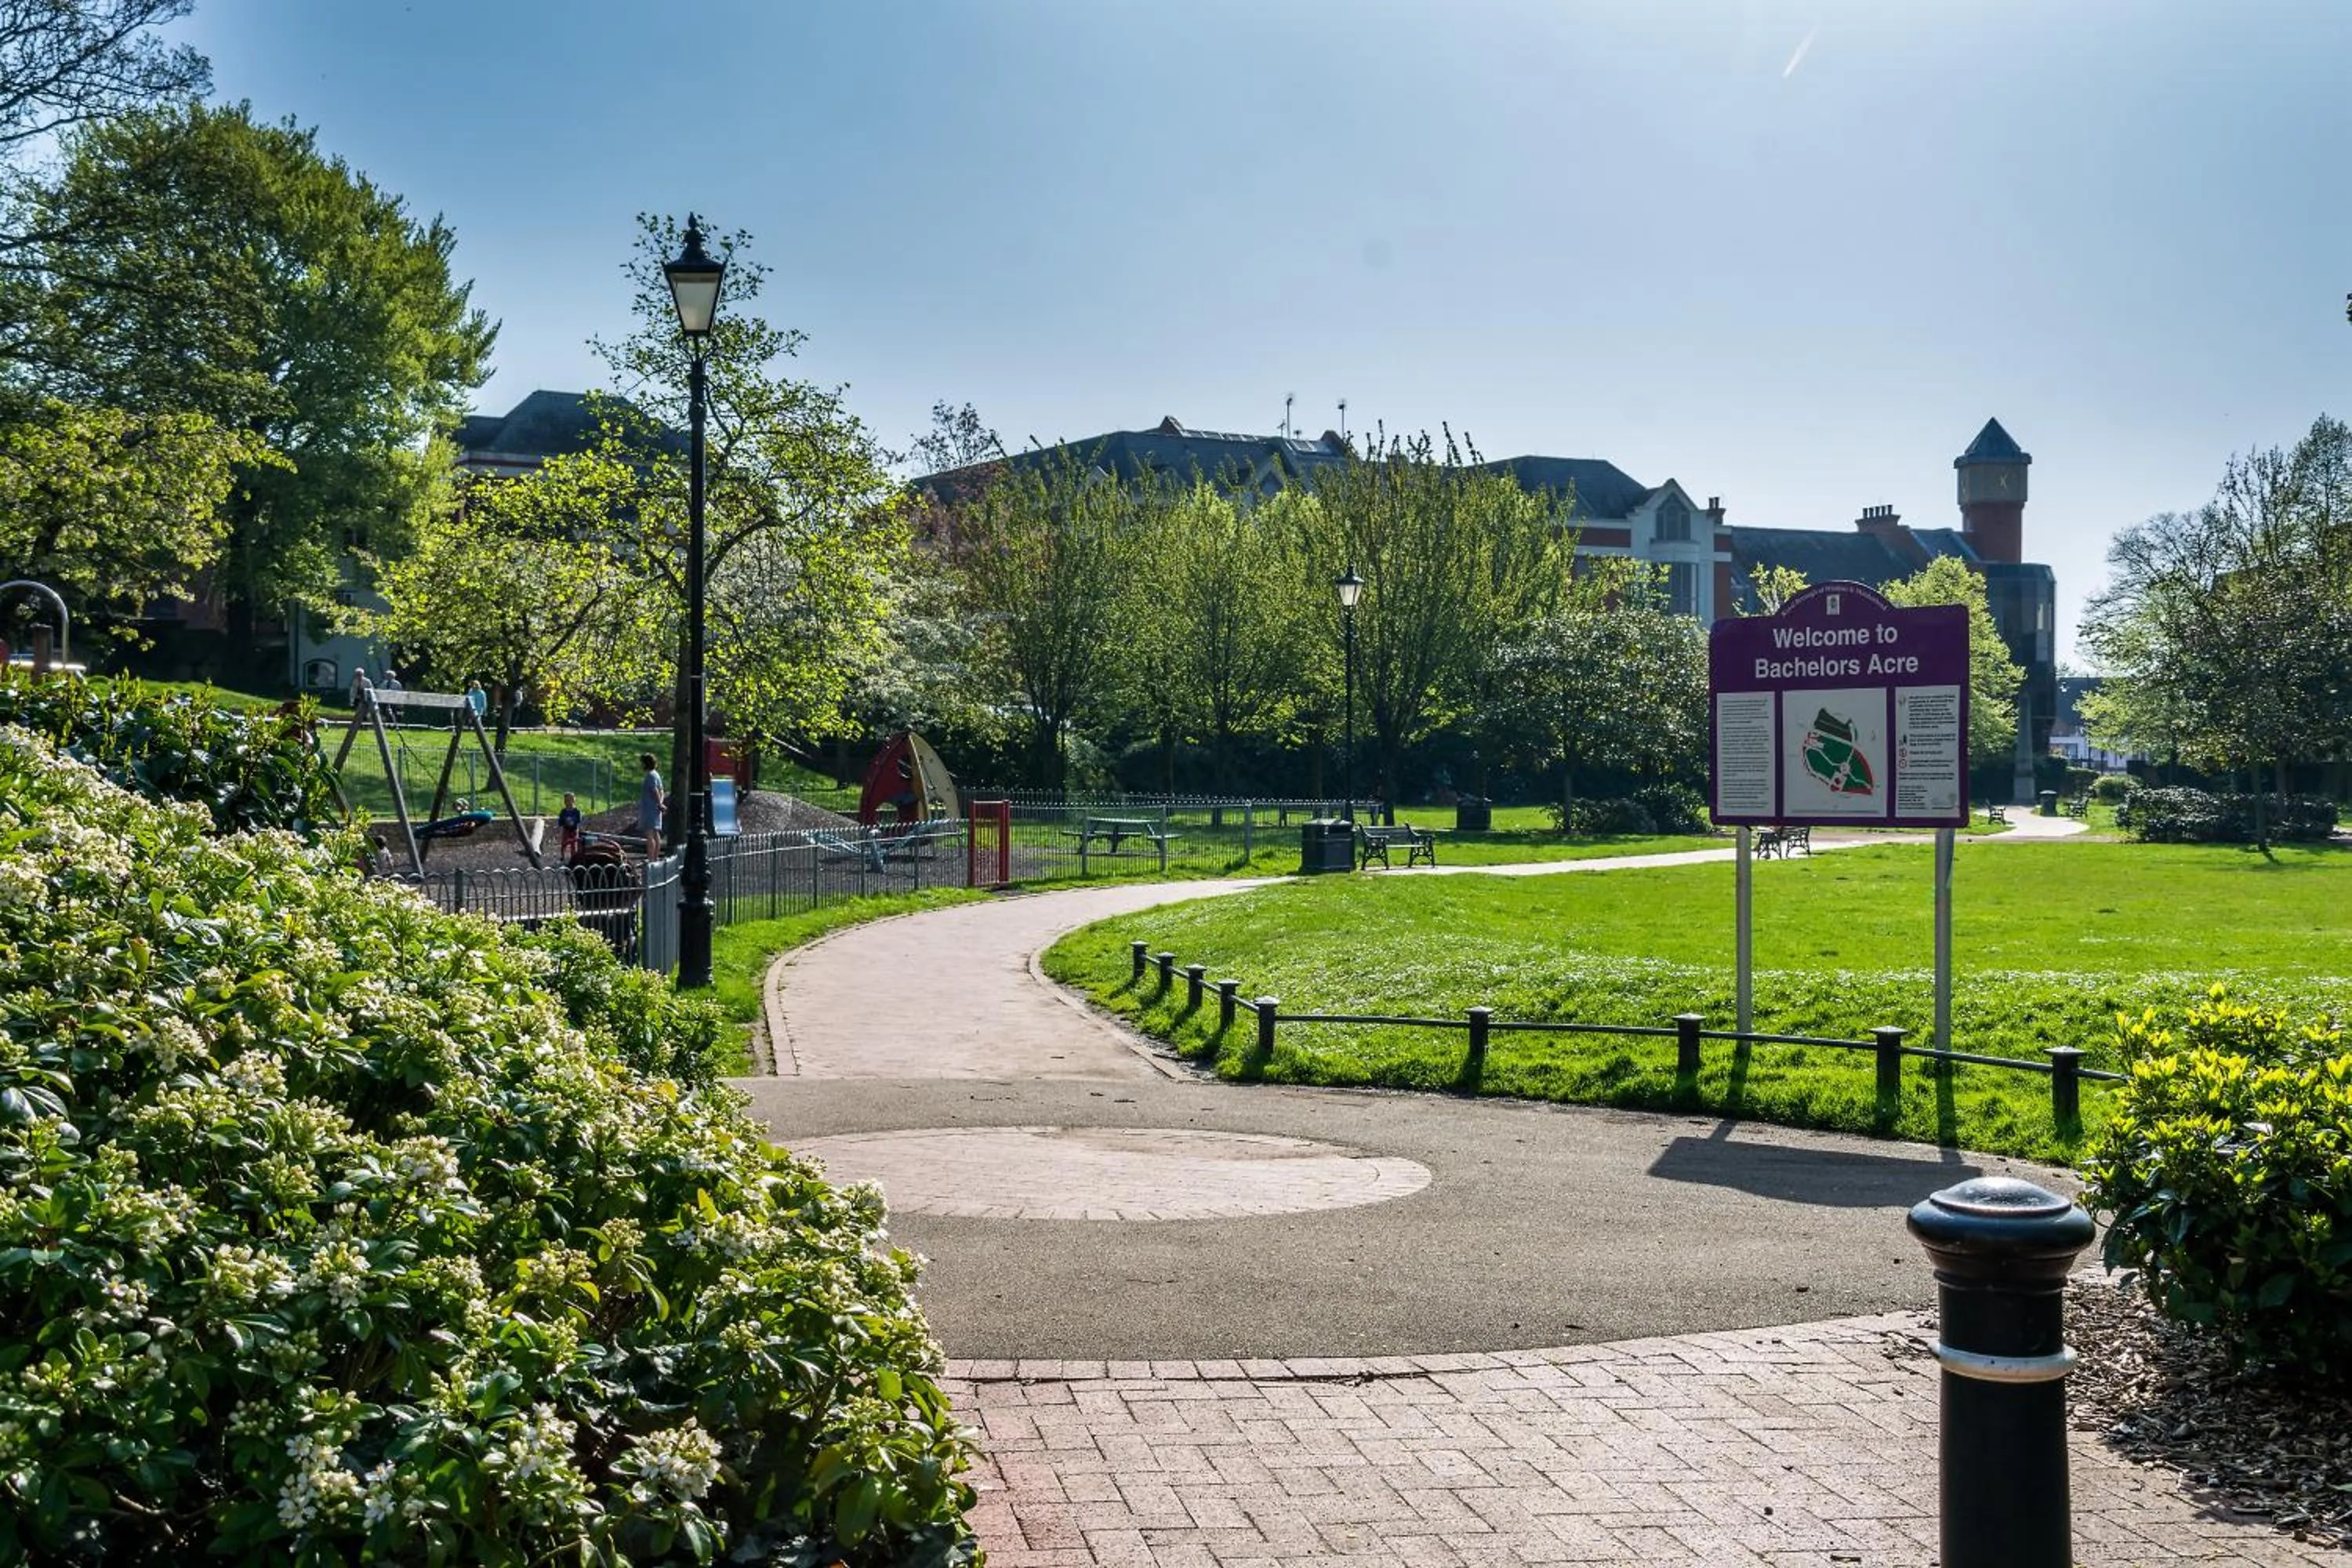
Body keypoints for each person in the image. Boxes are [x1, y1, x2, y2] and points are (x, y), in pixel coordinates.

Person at [637, 753, 666, 858]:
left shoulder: (650, 776)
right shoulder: (656, 774)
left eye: (642, 763)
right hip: (656, 808)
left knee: (649, 834)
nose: (640, 765)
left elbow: (654, 790)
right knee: (656, 833)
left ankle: (651, 859)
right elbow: (661, 790)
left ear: (646, 764)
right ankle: (656, 857)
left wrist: (659, 803)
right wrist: (661, 804)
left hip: (650, 808)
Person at [557, 791, 583, 862]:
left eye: (569, 800)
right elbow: (561, 820)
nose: (567, 802)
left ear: (573, 801)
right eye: (566, 801)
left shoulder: (576, 811)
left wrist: (573, 822)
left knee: (574, 844)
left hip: (574, 829)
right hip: (566, 829)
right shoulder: (563, 811)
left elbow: (579, 820)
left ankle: (573, 856)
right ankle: (563, 856)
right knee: (564, 843)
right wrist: (562, 823)